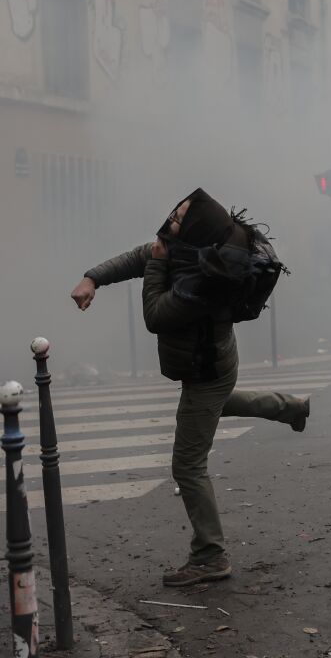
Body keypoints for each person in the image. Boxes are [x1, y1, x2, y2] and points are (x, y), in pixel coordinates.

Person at [69, 189, 309, 587]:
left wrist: (157, 265)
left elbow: (156, 315)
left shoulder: (206, 280)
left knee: (187, 465)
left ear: (197, 227)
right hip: (213, 369)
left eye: (180, 216)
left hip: (208, 371)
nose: (172, 218)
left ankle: (210, 556)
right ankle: (290, 408)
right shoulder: (187, 247)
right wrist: (92, 277)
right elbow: (139, 255)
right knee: (216, 406)